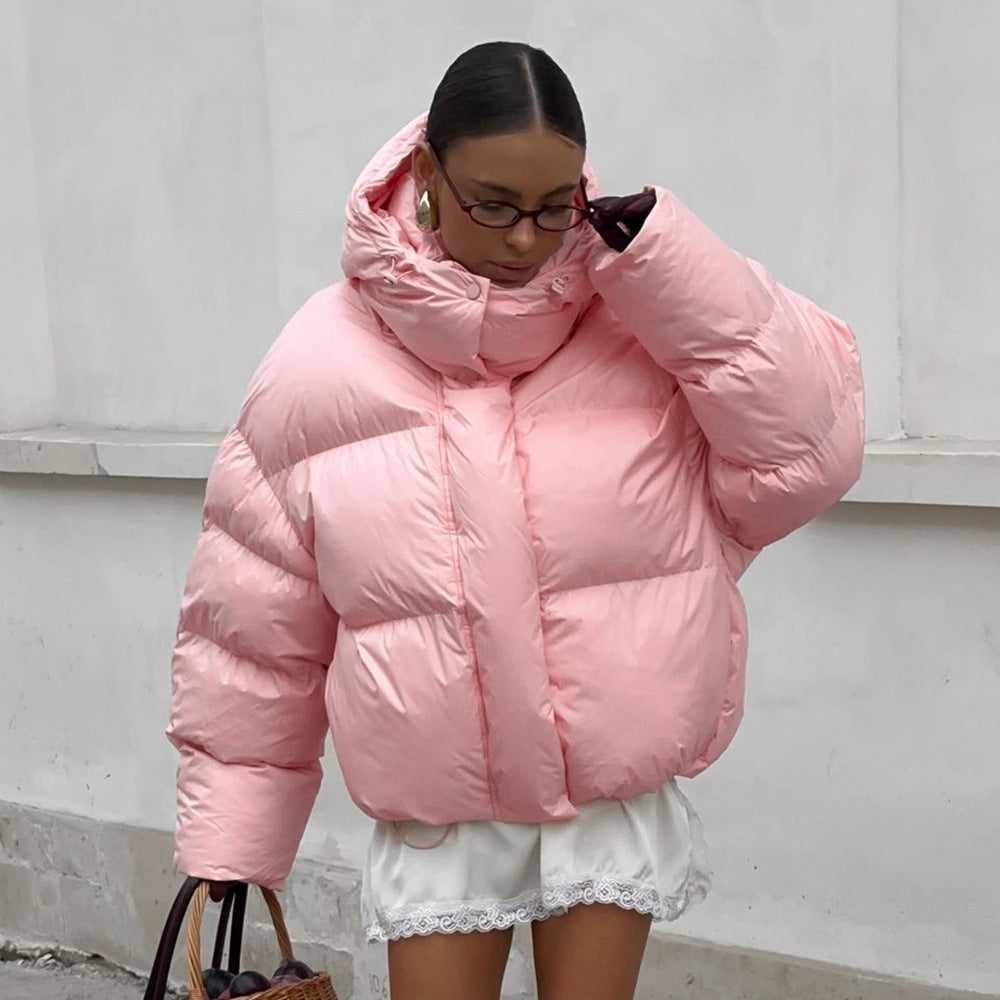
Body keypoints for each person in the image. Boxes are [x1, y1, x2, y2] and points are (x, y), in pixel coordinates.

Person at [166, 40, 864, 1000]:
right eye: (493, 205)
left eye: (552, 207)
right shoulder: (317, 365)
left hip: (606, 798)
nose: (527, 240)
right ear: (427, 176)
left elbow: (811, 453)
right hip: (441, 815)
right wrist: (235, 832)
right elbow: (254, 627)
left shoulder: (641, 327)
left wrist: (675, 264)